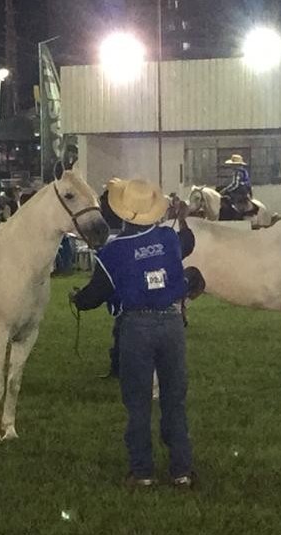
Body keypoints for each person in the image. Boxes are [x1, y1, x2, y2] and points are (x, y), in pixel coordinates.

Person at [71, 178, 205, 488]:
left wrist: (77, 299)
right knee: (174, 399)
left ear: (121, 211)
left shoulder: (113, 251)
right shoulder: (169, 239)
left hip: (136, 327)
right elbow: (188, 242)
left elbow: (95, 296)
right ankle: (181, 470)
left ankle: (143, 472)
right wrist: (182, 217)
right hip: (172, 325)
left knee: (138, 402)